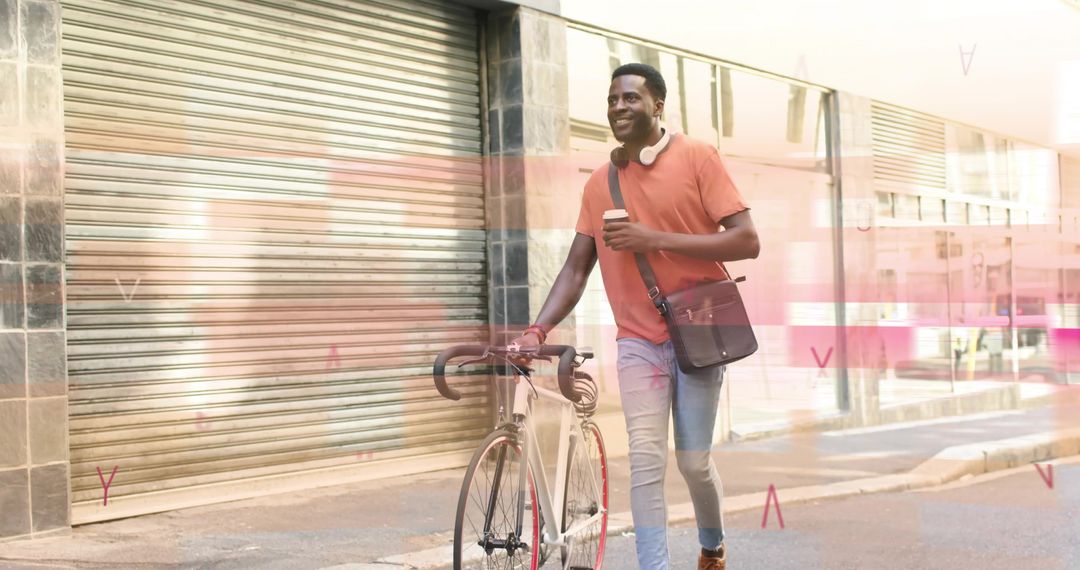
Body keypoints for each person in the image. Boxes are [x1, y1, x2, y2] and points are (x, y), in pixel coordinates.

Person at [510, 63, 759, 570]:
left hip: (701, 333)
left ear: (658, 106)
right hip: (638, 343)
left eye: (630, 98)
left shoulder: (697, 158)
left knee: (692, 462)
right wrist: (538, 328)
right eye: (612, 100)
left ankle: (712, 546)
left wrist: (654, 239)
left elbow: (747, 240)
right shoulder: (600, 184)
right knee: (645, 463)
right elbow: (576, 270)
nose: (619, 107)